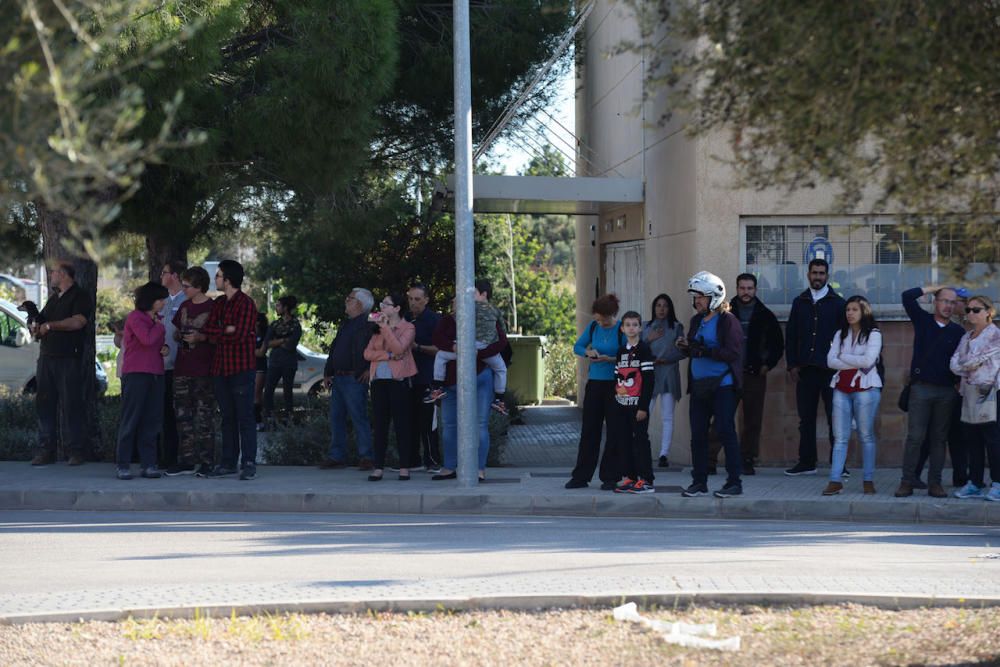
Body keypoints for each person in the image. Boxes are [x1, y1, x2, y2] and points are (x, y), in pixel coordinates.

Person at [678, 271, 745, 498]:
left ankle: (734, 482)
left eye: (701, 297)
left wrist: (706, 350)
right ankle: (699, 481)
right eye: (695, 297)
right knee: (697, 434)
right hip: (698, 386)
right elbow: (695, 347)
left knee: (726, 431)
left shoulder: (728, 320)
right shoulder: (696, 320)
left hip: (722, 385)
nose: (697, 301)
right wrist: (687, 347)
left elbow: (733, 352)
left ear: (714, 297)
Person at [895, 285, 965, 498]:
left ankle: (935, 483)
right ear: (936, 301)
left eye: (952, 302)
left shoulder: (958, 332)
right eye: (944, 300)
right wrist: (938, 286)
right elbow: (906, 295)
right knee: (915, 437)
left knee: (938, 439)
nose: (948, 306)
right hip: (921, 390)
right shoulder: (923, 321)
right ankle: (906, 482)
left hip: (946, 392)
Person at [430, 295, 508, 482]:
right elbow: (437, 339)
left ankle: (479, 469)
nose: (459, 306)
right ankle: (449, 467)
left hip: (479, 376)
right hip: (450, 382)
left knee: (480, 424)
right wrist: (455, 348)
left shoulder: (483, 319)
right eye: (456, 303)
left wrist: (478, 353)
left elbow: (501, 341)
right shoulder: (447, 321)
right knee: (449, 425)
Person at [784, 258, 847, 476]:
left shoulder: (838, 303)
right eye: (814, 273)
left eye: (821, 273)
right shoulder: (799, 302)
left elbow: (845, 337)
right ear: (808, 275)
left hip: (831, 371)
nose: (818, 277)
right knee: (806, 419)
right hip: (806, 370)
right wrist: (792, 364)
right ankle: (807, 462)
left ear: (827, 276)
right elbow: (790, 335)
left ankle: (839, 464)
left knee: (835, 418)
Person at [30, 261, 94, 467]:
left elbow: (78, 322)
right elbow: (43, 321)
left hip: (69, 358)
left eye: (54, 272)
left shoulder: (79, 296)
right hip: (47, 357)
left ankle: (75, 451)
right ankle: (45, 450)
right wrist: (37, 326)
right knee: (45, 404)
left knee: (71, 405)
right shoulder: (54, 299)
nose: (51, 275)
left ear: (65, 275)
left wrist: (51, 325)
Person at [201, 260, 259, 480]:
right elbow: (208, 330)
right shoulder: (218, 304)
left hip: (241, 369)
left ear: (228, 279)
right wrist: (224, 330)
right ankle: (228, 462)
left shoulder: (245, 304)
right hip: (220, 369)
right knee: (227, 418)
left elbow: (239, 335)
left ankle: (249, 463)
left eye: (218, 276)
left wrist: (220, 332)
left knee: (245, 417)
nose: (215, 279)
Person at [823, 296, 882, 495]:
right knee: (840, 437)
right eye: (848, 309)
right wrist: (852, 361)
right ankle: (835, 480)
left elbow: (868, 361)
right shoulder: (840, 333)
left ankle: (868, 479)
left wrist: (843, 357)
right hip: (841, 388)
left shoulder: (874, 334)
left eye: (854, 309)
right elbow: (830, 362)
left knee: (866, 435)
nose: (850, 313)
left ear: (863, 311)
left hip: (866, 389)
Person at [565, 294, 622, 490]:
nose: (600, 322)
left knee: (615, 430)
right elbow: (577, 346)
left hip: (615, 386)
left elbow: (627, 356)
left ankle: (610, 476)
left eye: (603, 318)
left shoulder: (622, 329)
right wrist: (588, 353)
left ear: (611, 314)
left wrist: (610, 359)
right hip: (595, 384)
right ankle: (581, 476)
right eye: (597, 318)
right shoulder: (593, 328)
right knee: (590, 431)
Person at [426, 279, 508, 415]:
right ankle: (499, 399)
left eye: (472, 293)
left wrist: (465, 349)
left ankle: (437, 386)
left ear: (483, 294)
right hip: (484, 348)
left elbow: (458, 322)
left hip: (468, 347)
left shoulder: (469, 308)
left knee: (441, 356)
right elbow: (503, 332)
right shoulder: (494, 310)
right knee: (501, 369)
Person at [729, 273, 784, 475]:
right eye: (742, 288)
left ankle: (747, 459)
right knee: (722, 418)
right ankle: (710, 459)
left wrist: (766, 365)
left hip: (754, 374)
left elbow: (778, 345)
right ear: (736, 288)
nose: (746, 292)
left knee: (753, 419)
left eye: (749, 288)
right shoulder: (726, 313)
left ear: (755, 290)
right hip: (729, 374)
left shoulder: (764, 314)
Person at [115, 282, 169, 480]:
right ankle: (123, 463)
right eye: (160, 300)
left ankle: (149, 463)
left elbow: (157, 344)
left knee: (152, 420)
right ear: (151, 301)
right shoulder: (136, 318)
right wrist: (159, 327)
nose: (163, 303)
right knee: (131, 419)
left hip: (155, 372)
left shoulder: (157, 320)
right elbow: (146, 339)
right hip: (136, 373)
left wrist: (165, 349)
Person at [949, 295, 1000, 501]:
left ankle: (997, 483)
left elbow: (973, 361)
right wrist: (967, 364)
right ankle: (975, 483)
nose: (970, 313)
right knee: (972, 441)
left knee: (993, 441)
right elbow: (954, 363)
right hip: (968, 392)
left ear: (989, 312)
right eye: (968, 310)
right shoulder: (966, 336)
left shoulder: (996, 335)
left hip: (990, 392)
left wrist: (966, 363)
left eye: (976, 310)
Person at [320, 288, 376, 470]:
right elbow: (335, 349)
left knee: (359, 417)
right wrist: (328, 372)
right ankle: (337, 456)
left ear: (359, 304)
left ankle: (366, 456)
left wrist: (369, 368)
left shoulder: (369, 324)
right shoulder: (346, 324)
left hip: (354, 377)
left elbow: (378, 346)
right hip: (339, 377)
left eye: (349, 298)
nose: (346, 300)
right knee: (336, 418)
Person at [363, 292, 417, 481]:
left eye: (386, 304)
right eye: (381, 304)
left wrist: (385, 328)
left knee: (402, 425)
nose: (382, 307)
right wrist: (387, 356)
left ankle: (404, 467)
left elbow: (399, 349)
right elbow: (367, 353)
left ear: (396, 308)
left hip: (399, 381)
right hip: (379, 381)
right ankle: (378, 467)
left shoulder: (408, 328)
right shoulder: (377, 327)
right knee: (380, 425)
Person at [167, 266, 216, 476]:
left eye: (187, 286)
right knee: (182, 416)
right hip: (182, 368)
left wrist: (201, 338)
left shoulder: (214, 308)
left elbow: (219, 337)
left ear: (198, 287)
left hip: (204, 369)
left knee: (204, 416)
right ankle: (186, 460)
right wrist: (180, 337)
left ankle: (207, 461)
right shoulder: (184, 306)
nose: (184, 289)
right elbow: (178, 330)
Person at [612, 311, 656, 494]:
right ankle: (630, 477)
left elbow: (649, 379)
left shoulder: (644, 349)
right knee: (624, 441)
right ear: (622, 329)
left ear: (640, 327)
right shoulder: (621, 351)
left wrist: (643, 407)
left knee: (641, 441)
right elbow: (618, 378)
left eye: (635, 324)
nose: (631, 328)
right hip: (623, 404)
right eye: (627, 325)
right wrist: (618, 401)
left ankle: (646, 480)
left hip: (638, 406)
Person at [642, 294, 684, 469]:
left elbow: (683, 351)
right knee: (644, 414)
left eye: (665, 305)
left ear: (670, 308)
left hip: (668, 372)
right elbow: (636, 350)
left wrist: (667, 358)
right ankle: (641, 450)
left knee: (667, 416)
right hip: (649, 374)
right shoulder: (645, 327)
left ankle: (664, 454)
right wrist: (648, 339)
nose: (661, 309)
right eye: (658, 305)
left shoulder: (676, 327)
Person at [406, 283, 441, 472]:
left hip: (427, 377)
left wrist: (418, 347)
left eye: (417, 299)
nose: (413, 303)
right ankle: (413, 460)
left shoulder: (435, 320)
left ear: (426, 300)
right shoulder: (404, 318)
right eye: (410, 299)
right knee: (409, 420)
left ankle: (432, 460)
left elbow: (440, 350)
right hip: (407, 378)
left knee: (428, 423)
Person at [157, 260, 187, 469]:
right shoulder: (163, 302)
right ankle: (166, 458)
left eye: (164, 272)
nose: (161, 276)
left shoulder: (187, 301)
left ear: (175, 276)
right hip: (162, 367)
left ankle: (183, 458)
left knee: (182, 416)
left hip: (181, 367)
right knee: (164, 415)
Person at [262, 295, 302, 428]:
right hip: (274, 362)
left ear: (286, 308)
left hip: (289, 363)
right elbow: (267, 343)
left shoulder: (296, 324)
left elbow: (291, 345)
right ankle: (269, 419)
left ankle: (288, 419)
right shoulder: (275, 324)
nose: (276, 308)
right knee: (268, 390)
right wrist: (282, 340)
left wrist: (278, 342)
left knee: (287, 391)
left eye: (279, 305)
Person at [253, 312, 269, 430]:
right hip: (250, 366)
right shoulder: (250, 334)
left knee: (257, 394)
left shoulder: (264, 335)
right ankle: (255, 419)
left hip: (260, 367)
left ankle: (258, 421)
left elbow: (261, 352)